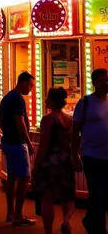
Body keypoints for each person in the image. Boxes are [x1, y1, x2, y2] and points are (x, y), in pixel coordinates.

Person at [33, 87, 75, 234]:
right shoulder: (69, 120)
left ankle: (48, 231)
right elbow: (73, 141)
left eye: (47, 97)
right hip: (65, 160)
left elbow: (43, 145)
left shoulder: (48, 119)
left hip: (50, 161)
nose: (45, 100)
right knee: (68, 195)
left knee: (48, 198)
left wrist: (36, 165)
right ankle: (66, 221)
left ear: (52, 101)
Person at [0, 71, 36, 227]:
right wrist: (28, 142)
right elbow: (20, 123)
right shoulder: (18, 99)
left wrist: (6, 130)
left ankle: (10, 212)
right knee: (24, 177)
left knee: (12, 177)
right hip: (17, 143)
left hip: (7, 142)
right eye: (31, 85)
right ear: (23, 82)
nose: (31, 89)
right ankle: (18, 214)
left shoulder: (8, 97)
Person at [72, 68, 108, 234]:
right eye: (103, 80)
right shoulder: (86, 102)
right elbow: (75, 129)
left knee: (103, 195)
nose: (106, 84)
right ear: (94, 83)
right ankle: (98, 228)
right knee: (97, 192)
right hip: (91, 155)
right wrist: (75, 154)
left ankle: (89, 219)